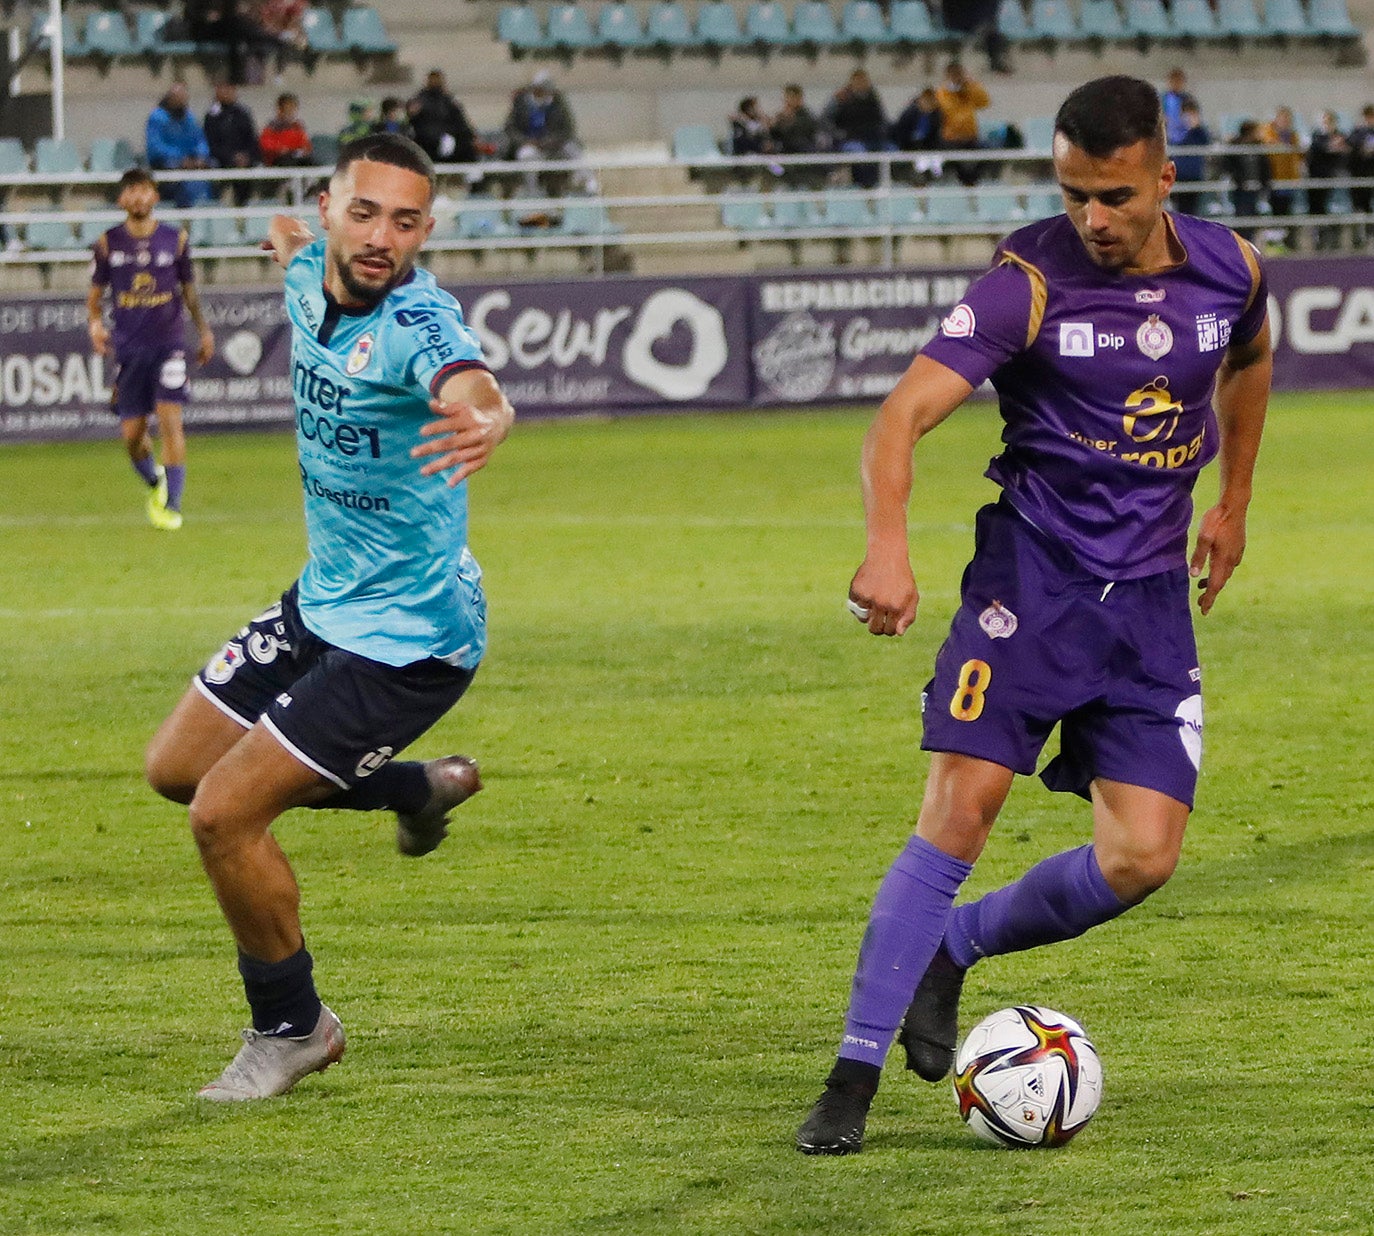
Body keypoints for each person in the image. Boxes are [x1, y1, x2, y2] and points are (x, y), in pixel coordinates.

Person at [796, 74, 1272, 1155]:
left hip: (1149, 600)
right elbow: (900, 418)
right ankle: (850, 1077)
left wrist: (1235, 499)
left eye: (1113, 196)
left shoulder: (1233, 269)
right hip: (1034, 581)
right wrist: (887, 544)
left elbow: (1247, 362)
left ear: (1164, 175)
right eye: (1073, 195)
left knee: (1143, 856)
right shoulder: (1028, 281)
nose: (1092, 221)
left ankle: (952, 951)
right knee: (961, 810)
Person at [143, 131, 515, 1101]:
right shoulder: (308, 268)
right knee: (177, 771)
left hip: (409, 642)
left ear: (427, 231)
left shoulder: (416, 322)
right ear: (326, 209)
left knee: (225, 816)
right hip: (323, 603)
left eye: (404, 220)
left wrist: (490, 412)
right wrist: (281, 243)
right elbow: (289, 253)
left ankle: (292, 1024)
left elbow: (467, 377)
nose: (381, 236)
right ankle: (411, 792)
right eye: (363, 212)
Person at [87, 168, 216, 532]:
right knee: (132, 437)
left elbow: (188, 291)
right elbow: (95, 297)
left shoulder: (175, 240)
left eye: (145, 190)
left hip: (169, 344)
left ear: (155, 196)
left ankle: (174, 504)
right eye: (132, 191)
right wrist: (95, 325)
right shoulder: (108, 243)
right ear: (121, 200)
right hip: (129, 349)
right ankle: (156, 482)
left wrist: (203, 331)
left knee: (171, 421)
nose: (139, 197)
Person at [503, 70, 591, 195]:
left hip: (553, 145)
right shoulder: (521, 102)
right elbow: (510, 128)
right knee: (526, 156)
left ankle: (588, 183)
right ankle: (532, 190)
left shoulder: (558, 103)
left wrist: (549, 142)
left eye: (541, 89)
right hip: (530, 144)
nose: (537, 92)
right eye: (535, 89)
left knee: (573, 149)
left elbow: (567, 129)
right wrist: (525, 141)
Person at [146, 81, 214, 208]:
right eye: (177, 98)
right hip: (165, 162)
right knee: (174, 170)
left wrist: (200, 156)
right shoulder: (157, 118)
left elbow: (199, 140)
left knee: (213, 165)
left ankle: (208, 208)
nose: (181, 102)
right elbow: (155, 147)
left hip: (190, 161)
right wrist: (180, 158)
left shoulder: (189, 118)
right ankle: (183, 209)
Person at [824, 69, 889, 188]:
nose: (861, 84)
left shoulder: (873, 98)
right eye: (858, 81)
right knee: (860, 154)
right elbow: (826, 120)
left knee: (890, 150)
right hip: (849, 139)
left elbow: (881, 120)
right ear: (852, 82)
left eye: (864, 81)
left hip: (872, 138)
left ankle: (882, 184)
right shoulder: (841, 98)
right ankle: (863, 185)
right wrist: (839, 134)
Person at [204, 79, 260, 207]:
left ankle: (245, 210)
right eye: (224, 88)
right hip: (222, 159)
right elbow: (211, 143)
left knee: (251, 171)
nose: (228, 92)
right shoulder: (211, 116)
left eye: (231, 89)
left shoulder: (243, 113)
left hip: (245, 161)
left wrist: (246, 156)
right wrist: (231, 157)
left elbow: (251, 139)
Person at [935, 61, 990, 186]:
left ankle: (972, 179)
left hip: (970, 138)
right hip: (950, 139)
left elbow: (985, 102)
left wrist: (972, 85)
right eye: (953, 75)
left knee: (988, 151)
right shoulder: (941, 94)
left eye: (959, 75)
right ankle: (964, 181)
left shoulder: (970, 91)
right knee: (952, 159)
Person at [408, 70, 478, 166]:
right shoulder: (420, 100)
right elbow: (413, 121)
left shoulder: (448, 100)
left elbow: (460, 121)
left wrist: (470, 135)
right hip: (428, 140)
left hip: (447, 138)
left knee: (466, 148)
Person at [1260, 105, 1303, 251]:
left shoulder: (1293, 135)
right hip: (1273, 179)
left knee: (1286, 212)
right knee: (1275, 212)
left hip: (1289, 180)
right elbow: (1269, 147)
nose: (1285, 122)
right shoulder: (1268, 132)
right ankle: (1273, 245)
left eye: (1287, 119)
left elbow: (1297, 155)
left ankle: (1286, 243)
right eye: (1282, 118)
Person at [1306, 109, 1348, 251]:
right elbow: (1318, 148)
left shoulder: (1340, 135)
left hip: (1335, 180)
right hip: (1317, 178)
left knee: (1334, 208)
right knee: (1317, 207)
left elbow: (1345, 149)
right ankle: (1319, 238)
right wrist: (1330, 146)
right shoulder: (1317, 136)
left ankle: (1335, 237)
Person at [1224, 118, 1270, 241]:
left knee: (1253, 217)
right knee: (1241, 216)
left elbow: (1265, 166)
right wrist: (1237, 179)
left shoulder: (1259, 146)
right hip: (1240, 188)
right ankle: (1240, 243)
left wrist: (1265, 183)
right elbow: (1228, 165)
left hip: (1255, 187)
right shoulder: (1235, 146)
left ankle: (1250, 243)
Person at [770, 83, 824, 187]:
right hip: (785, 156)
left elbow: (801, 136)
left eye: (790, 97)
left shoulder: (807, 116)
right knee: (771, 166)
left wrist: (790, 121)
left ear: (799, 98)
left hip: (803, 156)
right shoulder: (781, 117)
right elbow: (776, 137)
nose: (787, 101)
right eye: (786, 98)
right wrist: (773, 126)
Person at [889, 86, 944, 183]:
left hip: (927, 148)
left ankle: (933, 178)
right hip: (908, 147)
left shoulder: (936, 116)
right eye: (926, 100)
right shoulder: (909, 113)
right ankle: (917, 178)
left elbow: (935, 137)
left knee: (935, 161)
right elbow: (901, 134)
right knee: (920, 161)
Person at [1171, 95, 1210, 217]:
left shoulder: (1200, 131)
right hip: (1179, 174)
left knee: (1194, 211)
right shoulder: (1176, 130)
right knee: (1180, 210)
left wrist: (1196, 127)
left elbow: (1206, 141)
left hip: (1195, 174)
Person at [260, 91, 314, 168]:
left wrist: (304, 150)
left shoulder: (297, 126)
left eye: (293, 109)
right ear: (280, 110)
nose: (290, 112)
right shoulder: (272, 127)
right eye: (287, 109)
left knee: (310, 162)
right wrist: (281, 149)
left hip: (297, 157)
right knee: (287, 162)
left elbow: (306, 145)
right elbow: (266, 145)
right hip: (278, 160)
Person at [1345, 103, 1374, 247]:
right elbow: (1350, 144)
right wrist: (1362, 148)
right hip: (1358, 174)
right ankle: (1358, 238)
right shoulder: (1357, 132)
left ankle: (1370, 236)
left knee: (1369, 207)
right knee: (1358, 206)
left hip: (1371, 176)